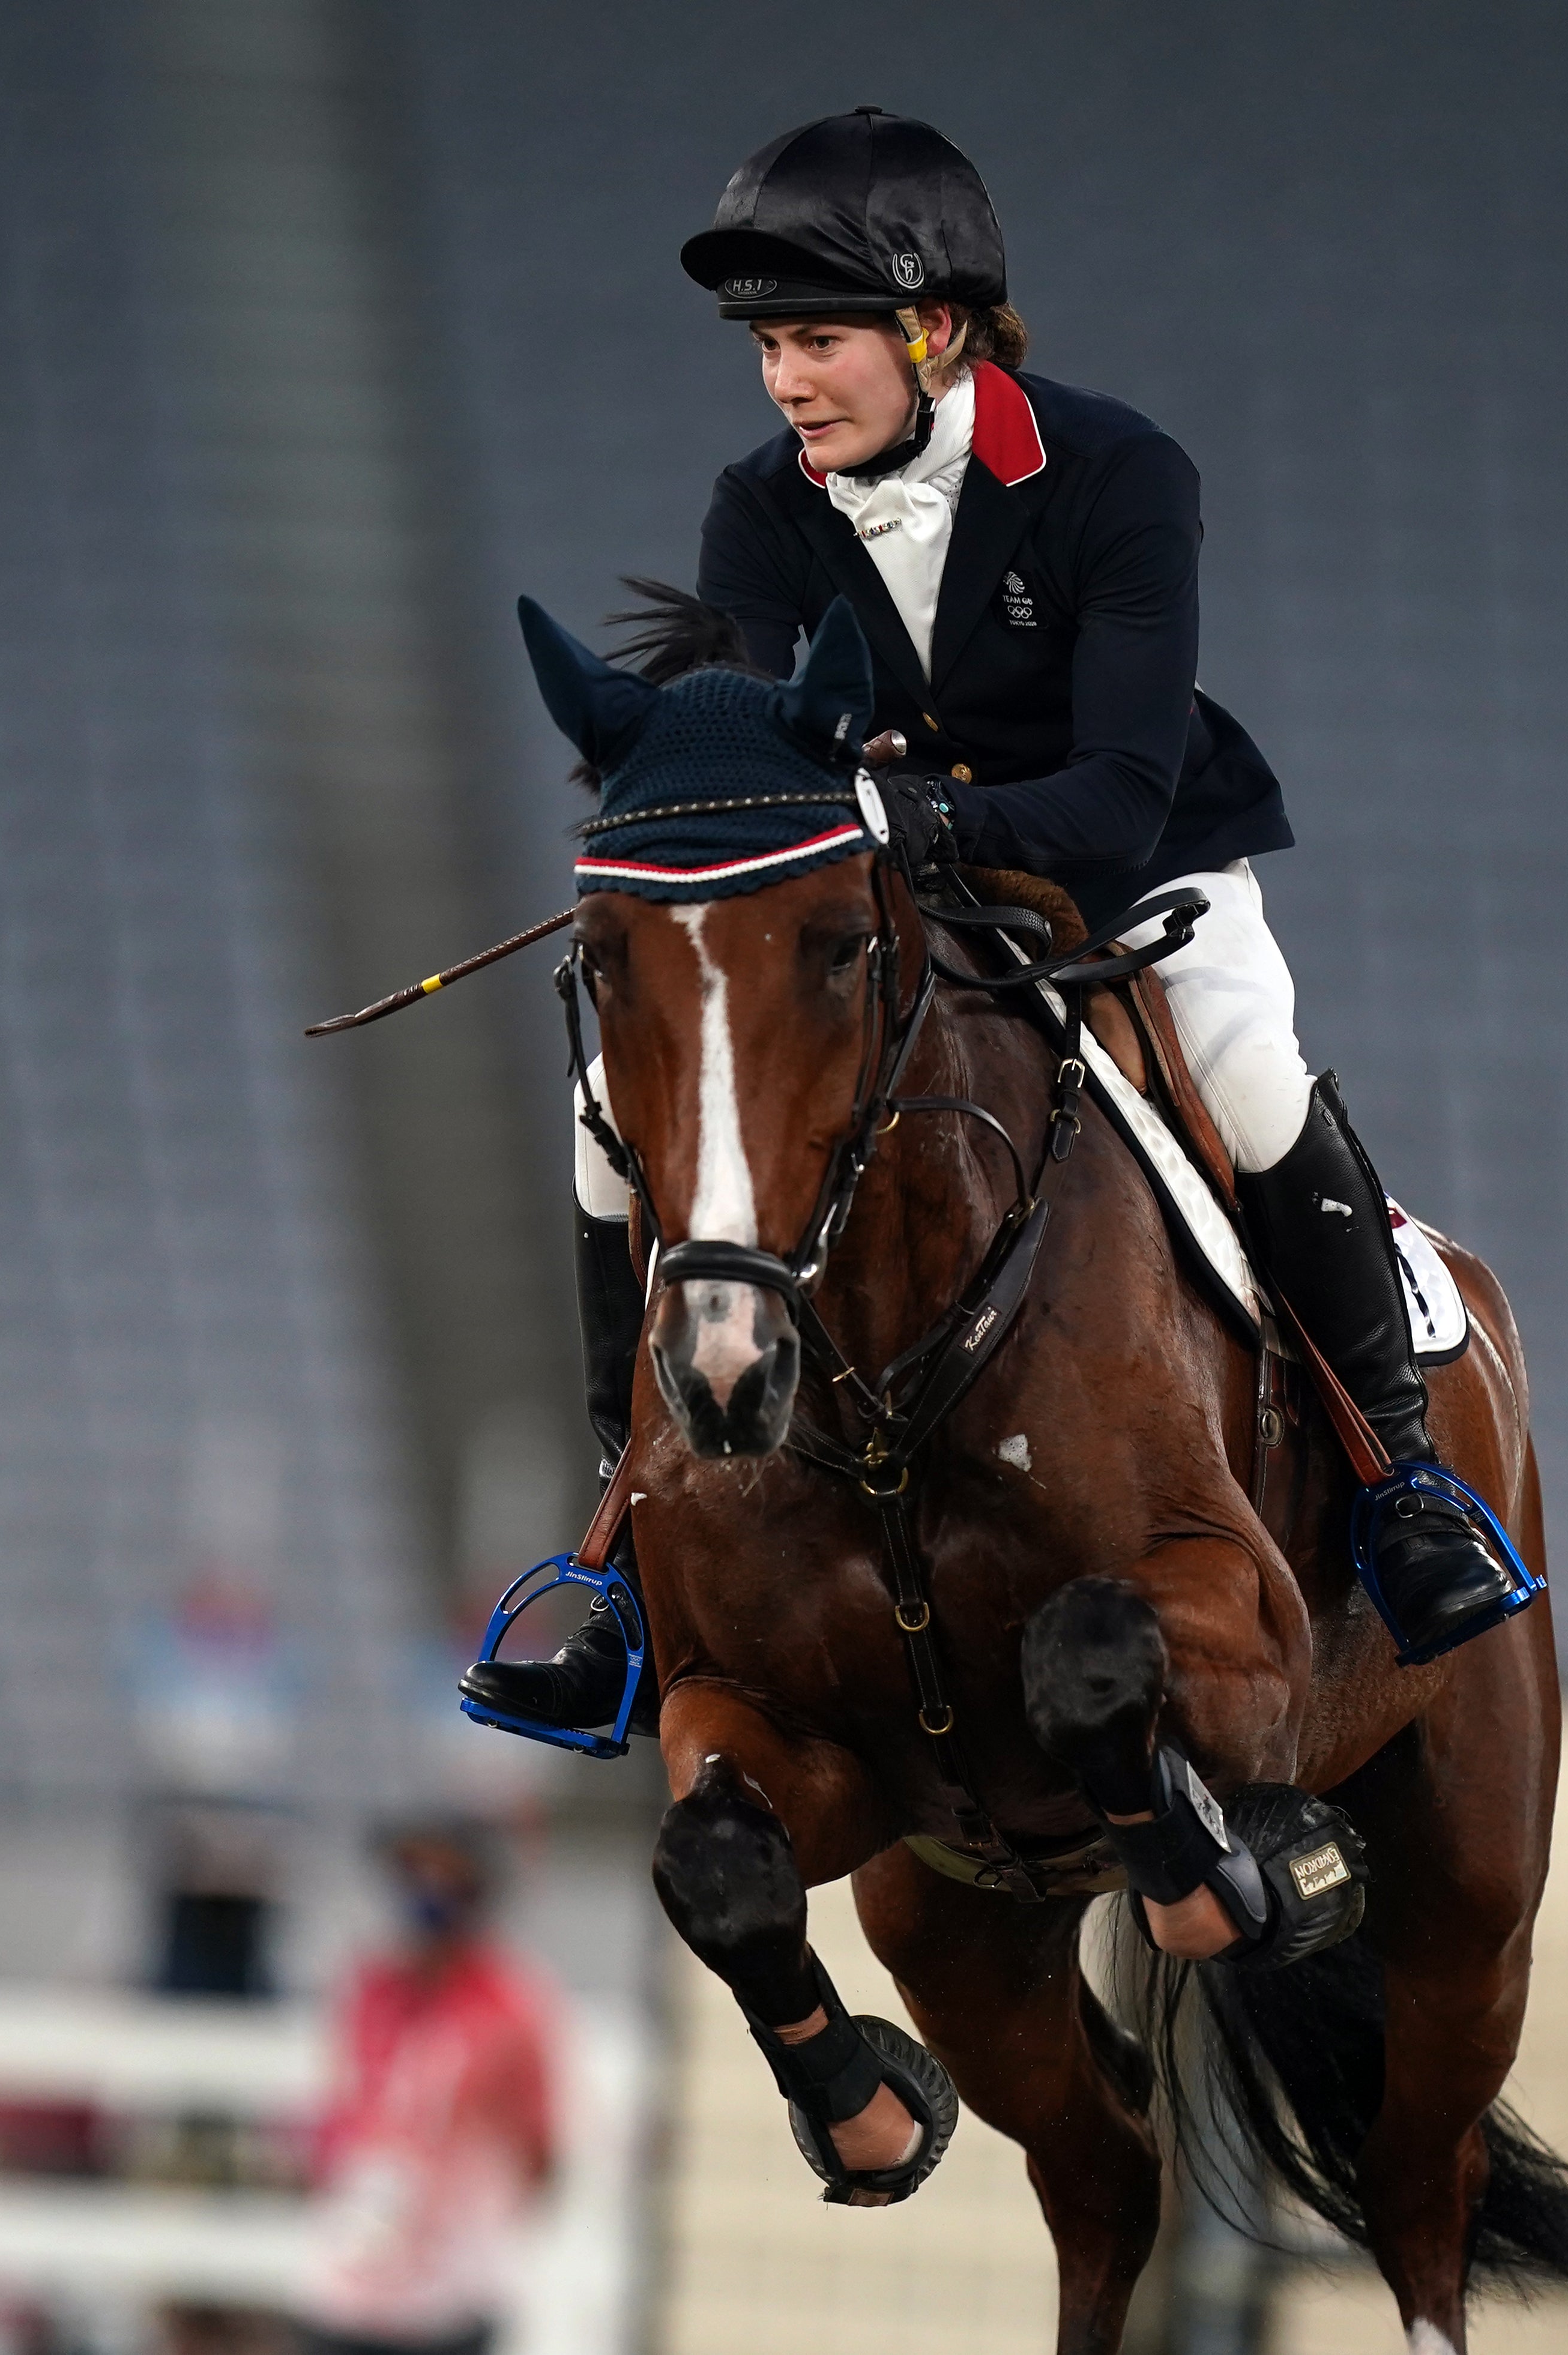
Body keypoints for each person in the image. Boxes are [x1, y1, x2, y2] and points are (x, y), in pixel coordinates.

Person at [463, 107, 1515, 1741]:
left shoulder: (1115, 476)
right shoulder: (760, 509)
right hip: (891, 907)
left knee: (1244, 1071)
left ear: (932, 327)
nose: (784, 380)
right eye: (768, 347)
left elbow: (1113, 787)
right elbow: (764, 754)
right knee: (609, 1134)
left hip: (1127, 878)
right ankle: (622, 1553)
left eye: (817, 341)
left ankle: (1401, 1479)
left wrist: (912, 818)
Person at [294, 1819, 554, 2355]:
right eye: (418, 1874)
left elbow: (539, 2145)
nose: (428, 1892)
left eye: (446, 1878)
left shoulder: (511, 2003)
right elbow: (342, 2105)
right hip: (355, 2274)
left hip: (452, 2285)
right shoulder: (373, 1987)